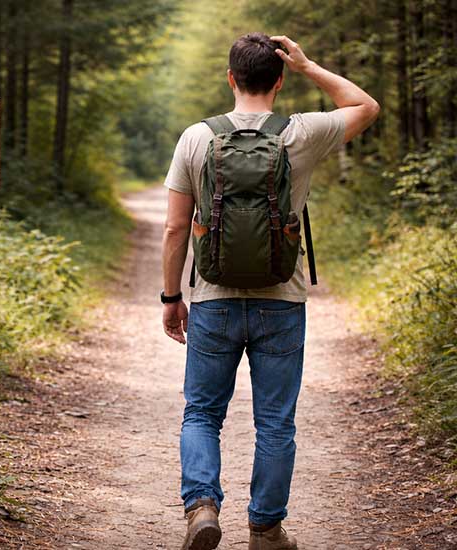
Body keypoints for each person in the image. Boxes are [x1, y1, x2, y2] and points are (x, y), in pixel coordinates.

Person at [160, 33, 380, 550]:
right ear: (279, 80)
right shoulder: (301, 133)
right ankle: (265, 528)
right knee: (275, 421)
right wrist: (308, 66)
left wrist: (172, 299)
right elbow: (366, 105)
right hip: (282, 300)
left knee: (201, 413)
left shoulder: (196, 137)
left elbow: (174, 229)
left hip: (213, 298)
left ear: (230, 78)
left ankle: (202, 508)